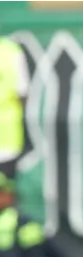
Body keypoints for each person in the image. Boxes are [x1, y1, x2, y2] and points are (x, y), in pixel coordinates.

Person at [0, 37, 29, 179]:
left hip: (6, 139)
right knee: (5, 192)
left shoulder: (11, 52)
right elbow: (22, 93)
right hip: (7, 137)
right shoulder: (10, 51)